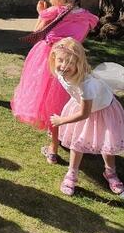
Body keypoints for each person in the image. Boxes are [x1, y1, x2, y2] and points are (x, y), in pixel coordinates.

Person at [11, 0, 98, 164]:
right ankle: (70, 137)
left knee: (51, 104)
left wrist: (41, 13)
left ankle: (52, 148)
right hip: (73, 63)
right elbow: (79, 39)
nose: (50, 0)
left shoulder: (54, 12)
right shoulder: (84, 16)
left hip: (49, 61)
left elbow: (37, 33)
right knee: (70, 103)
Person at [48, 38, 124, 196]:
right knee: (78, 143)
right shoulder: (60, 72)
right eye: (60, 60)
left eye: (70, 62)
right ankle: (71, 174)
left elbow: (84, 113)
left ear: (79, 63)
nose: (64, 66)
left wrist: (61, 120)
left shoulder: (86, 84)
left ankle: (110, 172)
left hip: (103, 110)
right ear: (54, 58)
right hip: (81, 106)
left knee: (106, 143)